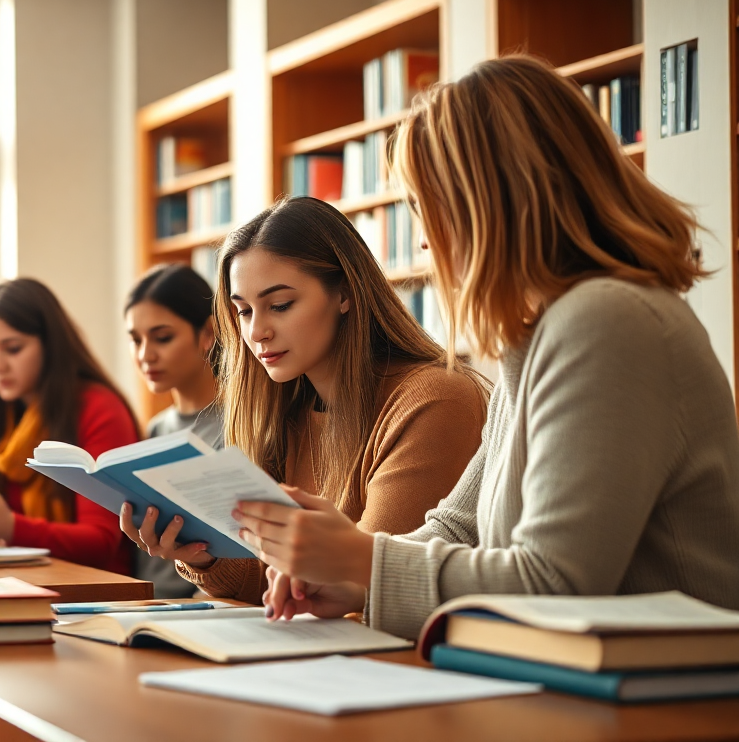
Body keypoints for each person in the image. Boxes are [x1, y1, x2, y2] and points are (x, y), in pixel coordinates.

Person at [240, 56, 739, 638]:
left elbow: (556, 583)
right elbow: (458, 527)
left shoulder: (609, 322)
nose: (423, 240)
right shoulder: (540, 333)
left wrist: (360, 560)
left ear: (489, 201)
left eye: (426, 209)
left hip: (665, 703)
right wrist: (352, 575)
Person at [122, 196, 489, 605]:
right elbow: (270, 583)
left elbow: (374, 583)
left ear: (345, 294)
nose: (257, 331)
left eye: (279, 305)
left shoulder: (433, 399)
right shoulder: (283, 407)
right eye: (243, 312)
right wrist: (203, 555)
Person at [0, 278, 140, 576]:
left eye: (13, 349)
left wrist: (9, 527)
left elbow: (101, 541)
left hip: (93, 594)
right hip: (14, 583)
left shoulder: (98, 408)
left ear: (50, 345)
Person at [123, 264, 222, 598]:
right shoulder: (157, 429)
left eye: (162, 338)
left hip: (207, 605)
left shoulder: (241, 424)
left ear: (207, 334)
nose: (145, 355)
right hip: (148, 601)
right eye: (136, 340)